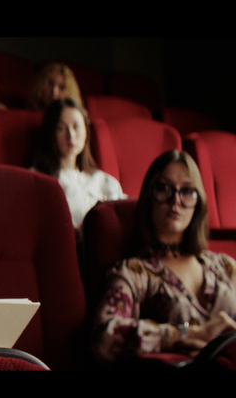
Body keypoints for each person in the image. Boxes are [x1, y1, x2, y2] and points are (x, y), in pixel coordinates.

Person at [92, 150, 236, 363]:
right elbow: (104, 336)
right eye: (164, 188)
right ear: (149, 198)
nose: (176, 201)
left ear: (198, 202)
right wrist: (187, 334)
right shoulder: (135, 271)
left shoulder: (225, 265)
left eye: (187, 191)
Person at [31, 98, 125, 230]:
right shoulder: (36, 179)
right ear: (51, 132)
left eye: (76, 127)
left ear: (86, 130)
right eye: (61, 128)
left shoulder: (104, 180)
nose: (71, 135)